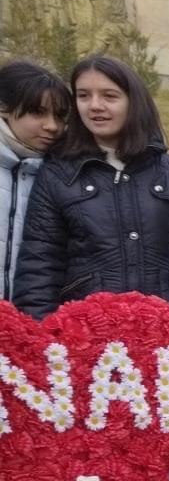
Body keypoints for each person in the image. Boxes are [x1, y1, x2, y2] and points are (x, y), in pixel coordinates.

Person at [13, 55, 169, 319]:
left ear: (134, 102)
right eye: (83, 96)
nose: (95, 106)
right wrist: (42, 342)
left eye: (109, 96)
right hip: (85, 339)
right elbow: (40, 266)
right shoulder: (58, 175)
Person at [0, 60, 69, 303]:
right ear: (4, 107)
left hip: (27, 326)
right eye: (37, 112)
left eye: (60, 116)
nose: (52, 126)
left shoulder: (61, 176)